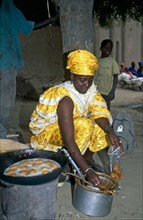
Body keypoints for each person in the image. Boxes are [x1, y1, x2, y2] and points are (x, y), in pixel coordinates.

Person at [29, 49, 124, 186]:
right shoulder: (64, 98)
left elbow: (99, 112)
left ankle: (86, 158)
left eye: (90, 80)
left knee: (101, 128)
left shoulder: (91, 91)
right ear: (72, 76)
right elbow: (69, 140)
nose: (87, 84)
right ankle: (65, 165)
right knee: (86, 125)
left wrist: (110, 131)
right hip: (50, 134)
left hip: (73, 129)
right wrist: (87, 171)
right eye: (83, 80)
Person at [0, 0, 34, 139]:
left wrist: (53, 19)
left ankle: (1, 134)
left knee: (6, 104)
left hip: (8, 62)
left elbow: (25, 27)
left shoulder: (8, 6)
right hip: (6, 62)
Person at [94, 39, 120, 110]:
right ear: (101, 48)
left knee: (105, 113)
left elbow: (115, 78)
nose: (108, 50)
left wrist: (112, 91)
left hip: (106, 94)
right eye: (106, 48)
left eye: (110, 48)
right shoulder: (96, 62)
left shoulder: (112, 62)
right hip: (95, 92)